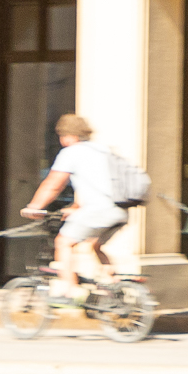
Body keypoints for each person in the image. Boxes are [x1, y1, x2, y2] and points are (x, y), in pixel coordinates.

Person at [21, 113, 127, 304]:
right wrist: (76, 207)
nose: (61, 140)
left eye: (62, 135)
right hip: (120, 211)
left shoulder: (71, 152)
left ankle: (70, 291)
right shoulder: (104, 150)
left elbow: (54, 184)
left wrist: (34, 206)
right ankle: (114, 285)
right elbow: (94, 184)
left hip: (99, 210)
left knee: (63, 243)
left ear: (70, 136)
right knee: (95, 245)